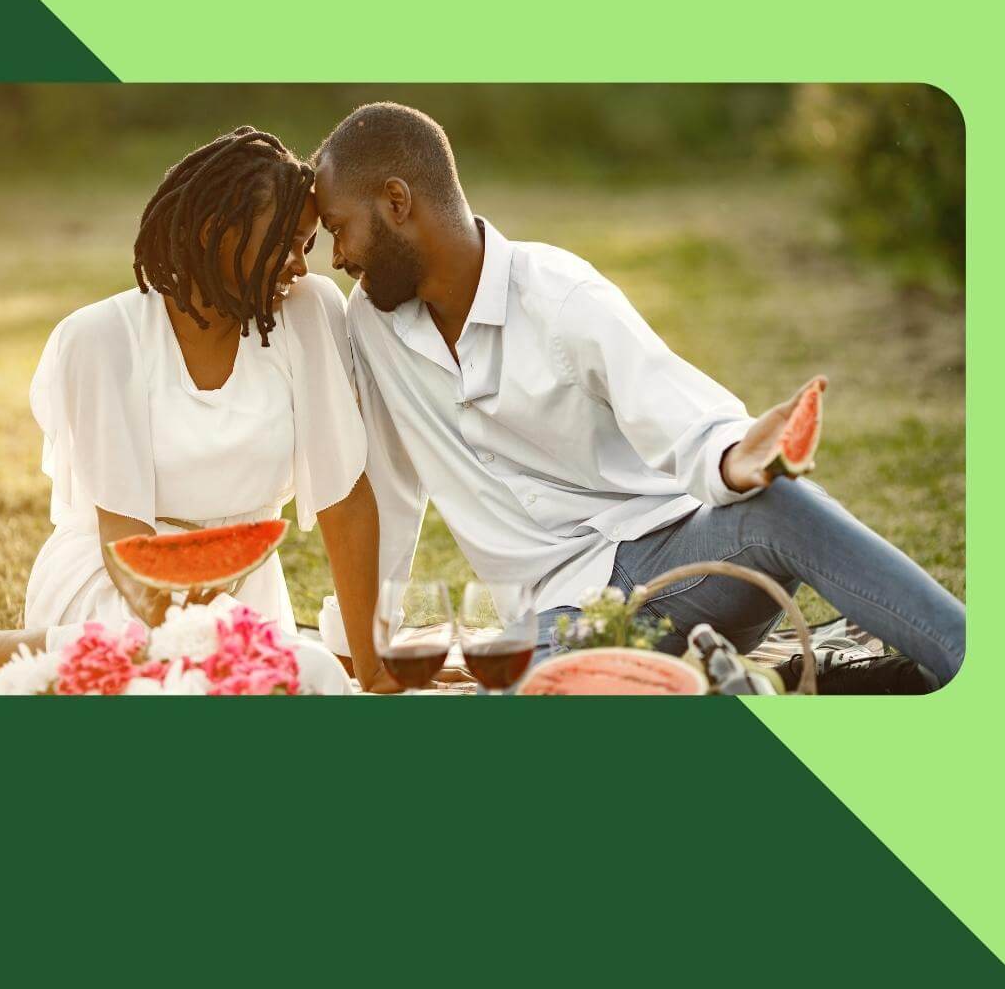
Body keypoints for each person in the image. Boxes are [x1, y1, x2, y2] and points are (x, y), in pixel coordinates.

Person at [311, 102, 966, 686]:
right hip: (549, 621)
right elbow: (389, 490)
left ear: (397, 202)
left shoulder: (559, 296)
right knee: (536, 696)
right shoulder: (373, 326)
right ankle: (736, 679)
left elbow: (677, 408)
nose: (336, 256)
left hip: (677, 567)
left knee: (785, 507)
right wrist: (367, 647)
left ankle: (968, 659)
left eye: (340, 228)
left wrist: (735, 458)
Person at [0, 126, 394, 692]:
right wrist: (186, 640)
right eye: (283, 244)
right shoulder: (102, 338)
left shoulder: (309, 312)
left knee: (305, 681)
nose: (300, 266)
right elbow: (125, 540)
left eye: (305, 245)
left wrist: (371, 668)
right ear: (214, 232)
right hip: (118, 586)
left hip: (241, 589)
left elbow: (344, 500)